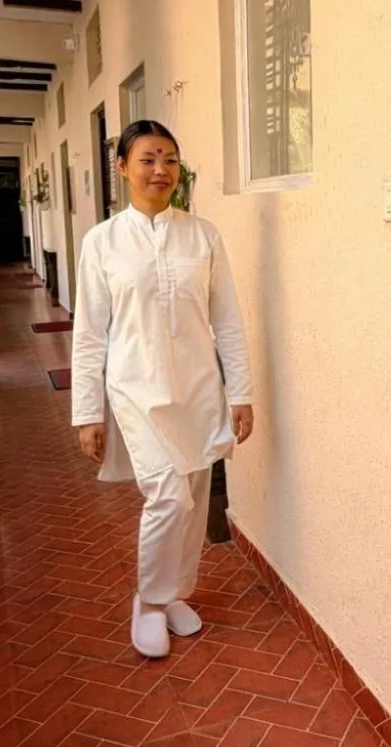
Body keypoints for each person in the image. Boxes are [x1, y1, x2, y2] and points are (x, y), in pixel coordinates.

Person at [69, 120, 254, 659]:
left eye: (170, 159)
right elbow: (88, 334)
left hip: (197, 387)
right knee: (167, 497)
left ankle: (177, 594)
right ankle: (149, 601)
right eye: (148, 158)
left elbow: (230, 322)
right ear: (123, 167)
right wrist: (87, 411)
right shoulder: (102, 243)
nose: (160, 170)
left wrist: (239, 391)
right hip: (135, 389)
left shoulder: (203, 236)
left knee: (194, 498)